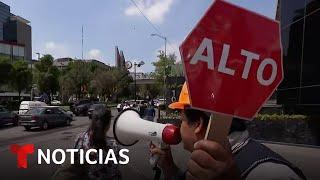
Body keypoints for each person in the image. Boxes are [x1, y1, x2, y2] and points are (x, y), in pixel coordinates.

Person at [150, 82, 306, 180]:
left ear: (198, 123)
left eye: (182, 120)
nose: (179, 126)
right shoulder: (209, 164)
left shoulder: (271, 173)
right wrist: (170, 168)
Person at [53, 108, 121, 180]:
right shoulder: (113, 146)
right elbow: (113, 172)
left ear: (92, 121)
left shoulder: (80, 139)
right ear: (108, 125)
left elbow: (74, 159)